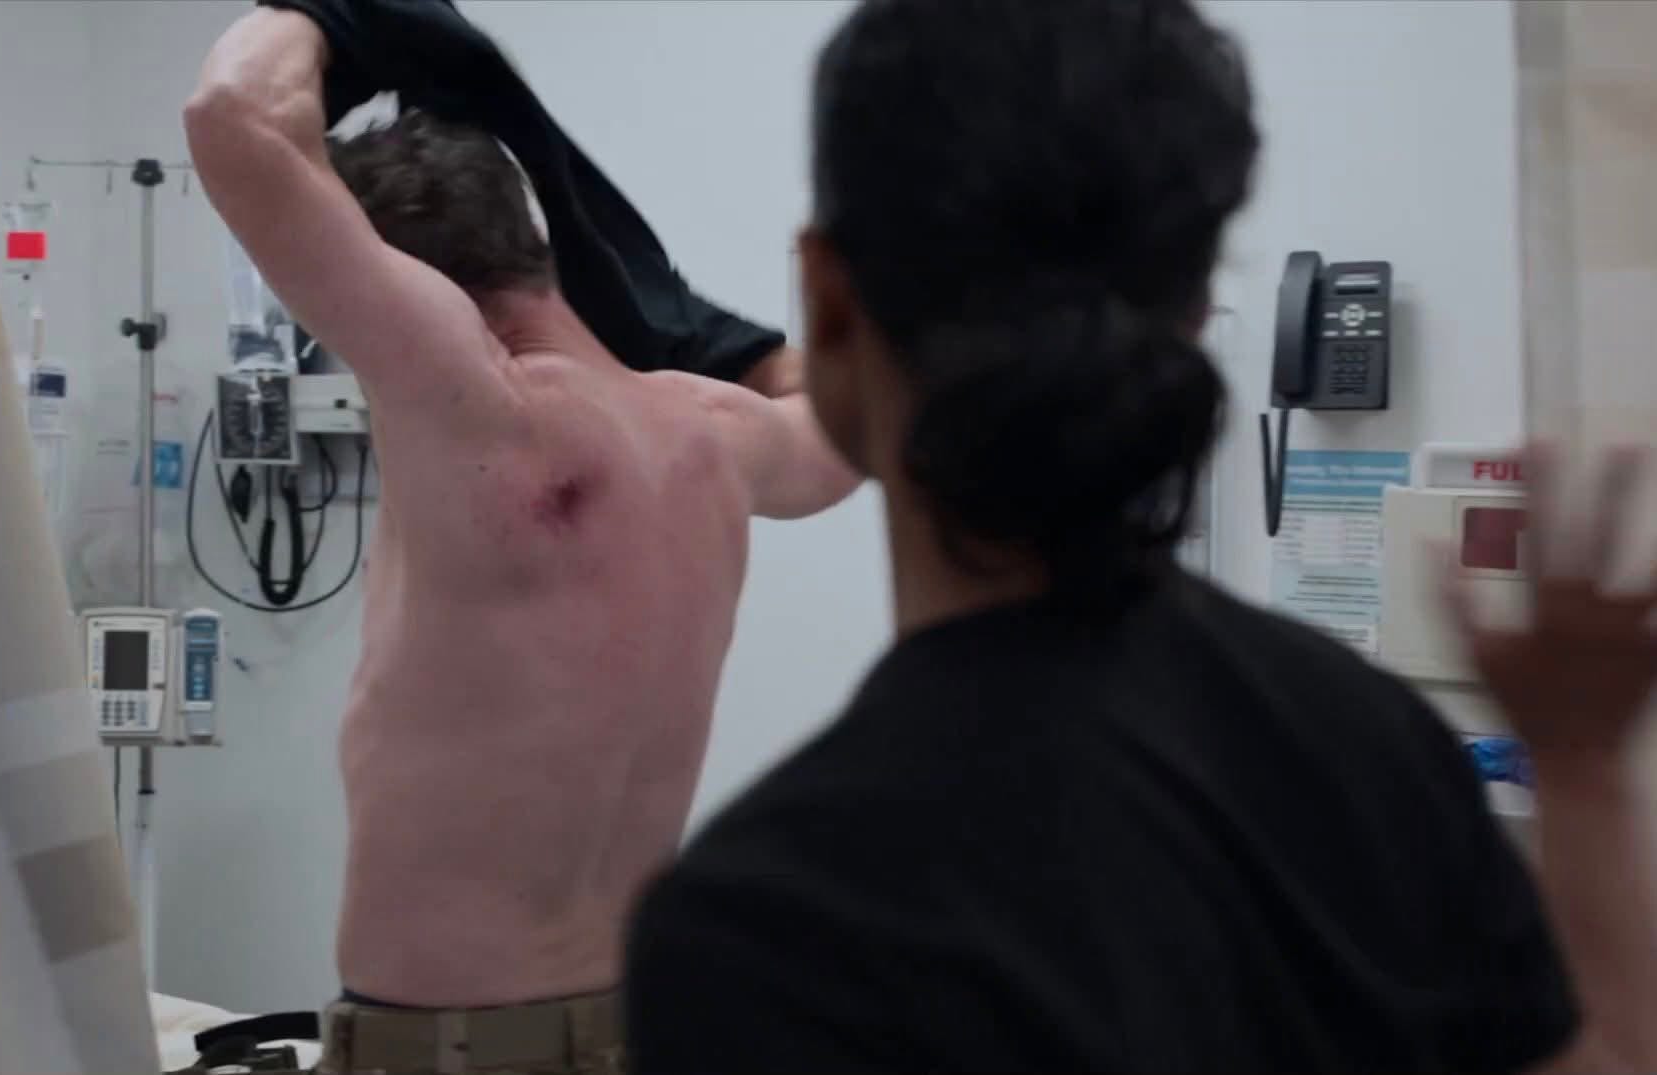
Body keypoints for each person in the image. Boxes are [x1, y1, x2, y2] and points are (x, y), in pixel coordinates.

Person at [624, 0, 1657, 1072]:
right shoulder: (1373, 752)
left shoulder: (763, 930)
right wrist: (1581, 764)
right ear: (1199, 310)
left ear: (830, 303)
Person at [184, 8, 858, 1074]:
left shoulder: (475, 408)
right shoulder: (715, 437)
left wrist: (329, 14)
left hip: (448, 1050)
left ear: (409, 288)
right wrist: (704, 335)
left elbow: (233, 117)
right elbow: (847, 422)